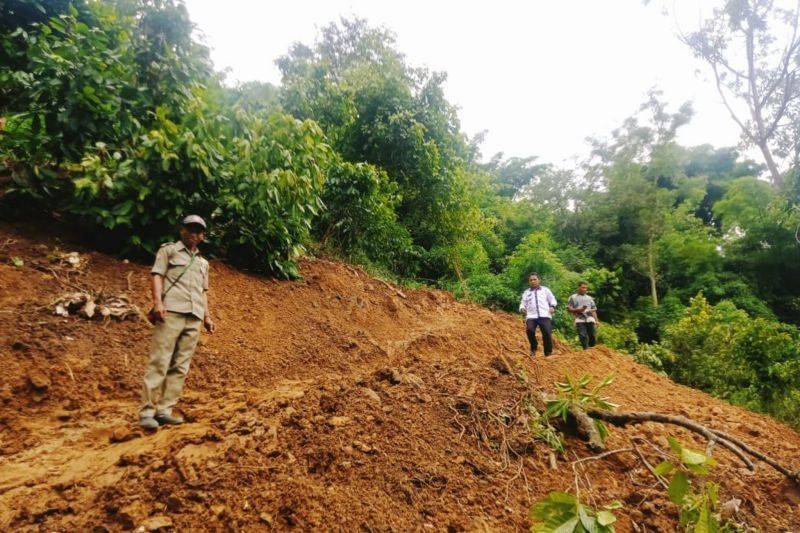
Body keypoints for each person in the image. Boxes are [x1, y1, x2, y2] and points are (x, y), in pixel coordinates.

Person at [139, 215, 216, 430]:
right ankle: (146, 412)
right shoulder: (169, 250)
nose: (194, 234)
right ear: (182, 230)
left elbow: (203, 292)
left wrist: (207, 317)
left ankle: (164, 410)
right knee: (160, 361)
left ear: (203, 236)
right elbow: (156, 275)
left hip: (194, 316)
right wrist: (157, 303)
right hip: (170, 312)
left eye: (198, 231)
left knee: (180, 366)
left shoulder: (203, 263)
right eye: (190, 229)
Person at [519, 272, 557, 357]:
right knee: (529, 330)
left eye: (535, 279)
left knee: (547, 333)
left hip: (544, 315)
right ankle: (533, 348)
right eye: (531, 280)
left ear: (539, 280)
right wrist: (522, 308)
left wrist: (552, 306)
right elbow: (522, 303)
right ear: (529, 282)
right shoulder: (526, 292)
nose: (533, 281)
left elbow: (552, 299)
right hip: (531, 316)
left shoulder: (545, 290)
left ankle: (548, 352)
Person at [567, 281, 599, 350]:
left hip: (589, 318)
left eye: (586, 288)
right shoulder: (572, 297)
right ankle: (586, 350)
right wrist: (577, 311)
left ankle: (593, 349)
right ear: (578, 288)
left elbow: (593, 310)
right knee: (582, 335)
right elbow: (569, 308)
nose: (585, 289)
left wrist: (596, 320)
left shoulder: (589, 298)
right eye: (583, 287)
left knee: (592, 335)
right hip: (579, 318)